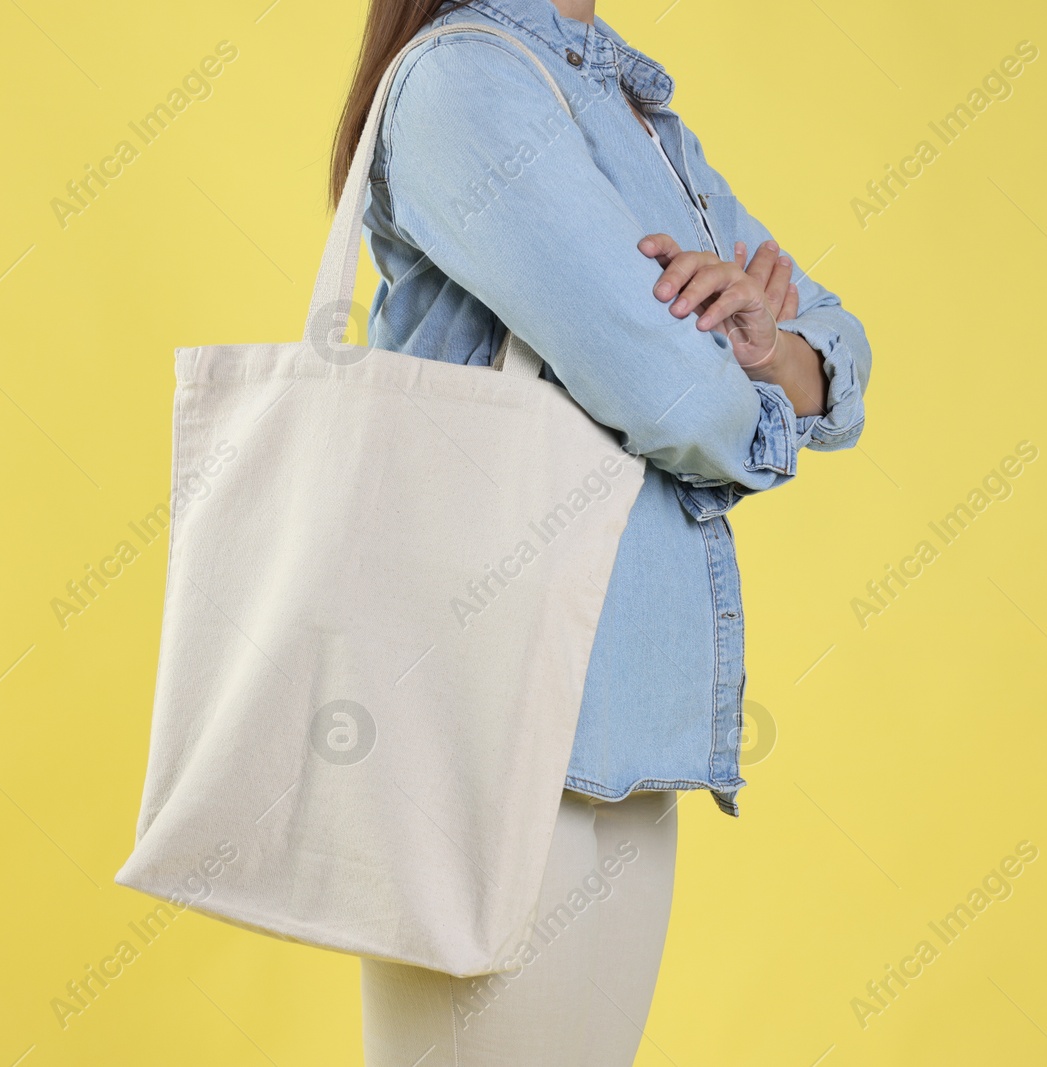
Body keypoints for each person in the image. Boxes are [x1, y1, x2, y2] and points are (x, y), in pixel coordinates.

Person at [330, 0, 872, 1062]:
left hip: (625, 722)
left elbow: (832, 341)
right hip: (488, 727)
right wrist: (751, 379)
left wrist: (766, 355)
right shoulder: (460, 84)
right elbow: (668, 393)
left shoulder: (625, 101)